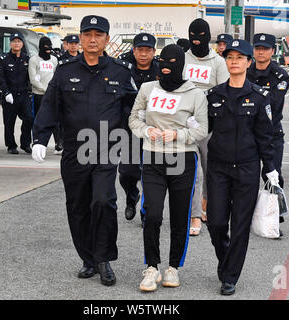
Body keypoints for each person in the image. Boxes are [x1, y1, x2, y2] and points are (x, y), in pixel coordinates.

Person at [31, 15, 137, 287]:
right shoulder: (65, 71)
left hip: (106, 148)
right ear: (80, 37)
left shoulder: (121, 72)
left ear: (106, 39)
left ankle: (104, 259)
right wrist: (40, 138)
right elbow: (50, 106)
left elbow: (133, 110)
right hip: (75, 150)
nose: (92, 39)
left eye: (98, 34)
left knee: (103, 201)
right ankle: (88, 259)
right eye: (87, 34)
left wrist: (136, 139)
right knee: (78, 206)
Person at [128, 44, 208, 292]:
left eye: (172, 63)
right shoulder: (147, 89)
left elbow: (202, 130)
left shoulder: (195, 94)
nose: (166, 67)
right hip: (153, 157)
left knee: (179, 216)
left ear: (181, 66)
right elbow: (133, 118)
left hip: (183, 159)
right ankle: (151, 267)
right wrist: (146, 131)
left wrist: (177, 134)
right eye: (162, 62)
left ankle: (173, 266)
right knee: (151, 214)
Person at [206, 39, 277, 295]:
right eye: (229, 57)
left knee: (239, 226)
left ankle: (230, 276)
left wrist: (270, 169)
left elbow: (265, 137)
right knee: (215, 223)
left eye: (240, 57)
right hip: (218, 168)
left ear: (249, 62)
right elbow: (204, 129)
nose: (233, 61)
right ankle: (226, 259)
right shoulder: (213, 95)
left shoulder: (259, 97)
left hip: (246, 168)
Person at [183, 18, 229, 236]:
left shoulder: (218, 63)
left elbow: (223, 93)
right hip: (185, 125)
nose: (196, 41)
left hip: (210, 126)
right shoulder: (183, 59)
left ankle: (207, 204)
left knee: (210, 171)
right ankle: (194, 215)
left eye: (201, 37)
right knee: (195, 172)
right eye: (192, 37)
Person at [118, 33, 159, 223]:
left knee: (151, 174)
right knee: (127, 173)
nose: (143, 54)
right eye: (140, 50)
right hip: (130, 128)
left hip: (153, 129)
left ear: (153, 51)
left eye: (147, 50)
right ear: (134, 51)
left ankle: (146, 211)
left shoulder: (160, 70)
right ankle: (131, 195)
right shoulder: (123, 69)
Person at [247, 33, 289, 213]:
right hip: (247, 132)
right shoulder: (245, 71)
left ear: (273, 51)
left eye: (265, 49)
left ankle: (273, 217)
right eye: (258, 48)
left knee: (273, 175)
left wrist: (251, 96)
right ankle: (245, 214)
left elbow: (273, 103)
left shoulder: (280, 75)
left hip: (271, 132)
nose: (261, 52)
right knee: (246, 176)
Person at [0, 33, 33, 155]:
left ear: (22, 44)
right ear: (10, 43)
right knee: (9, 122)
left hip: (23, 95)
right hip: (9, 96)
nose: (16, 43)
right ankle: (11, 145)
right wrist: (6, 93)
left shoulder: (27, 59)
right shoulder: (4, 60)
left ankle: (26, 143)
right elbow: (1, 79)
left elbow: (30, 77)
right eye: (14, 41)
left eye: (19, 41)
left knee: (29, 118)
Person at [29, 36, 61, 154]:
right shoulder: (34, 60)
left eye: (49, 47)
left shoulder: (54, 60)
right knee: (38, 119)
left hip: (52, 94)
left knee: (56, 120)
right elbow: (33, 79)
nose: (48, 50)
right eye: (45, 47)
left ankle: (59, 143)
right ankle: (37, 142)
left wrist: (53, 91)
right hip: (39, 94)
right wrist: (44, 89)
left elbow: (56, 76)